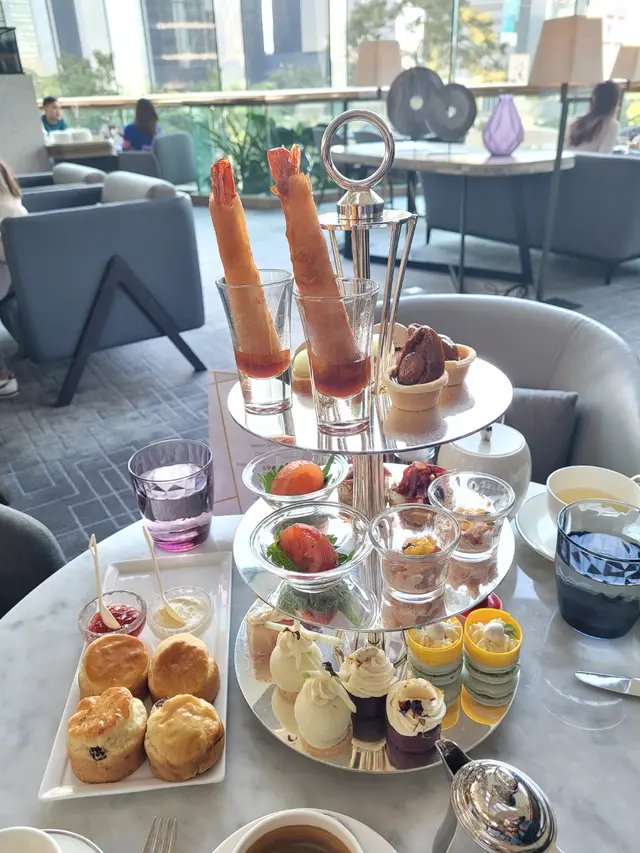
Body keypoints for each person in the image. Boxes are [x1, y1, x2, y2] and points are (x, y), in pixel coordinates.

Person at [0, 159, 27, 398]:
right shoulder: (8, 199)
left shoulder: (7, 208)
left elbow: (10, 253)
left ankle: (2, 377)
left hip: (14, 273)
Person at [566, 80, 621, 154]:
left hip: (568, 161)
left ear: (594, 99)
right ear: (615, 103)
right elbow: (604, 155)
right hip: (588, 161)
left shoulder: (574, 121)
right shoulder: (612, 126)